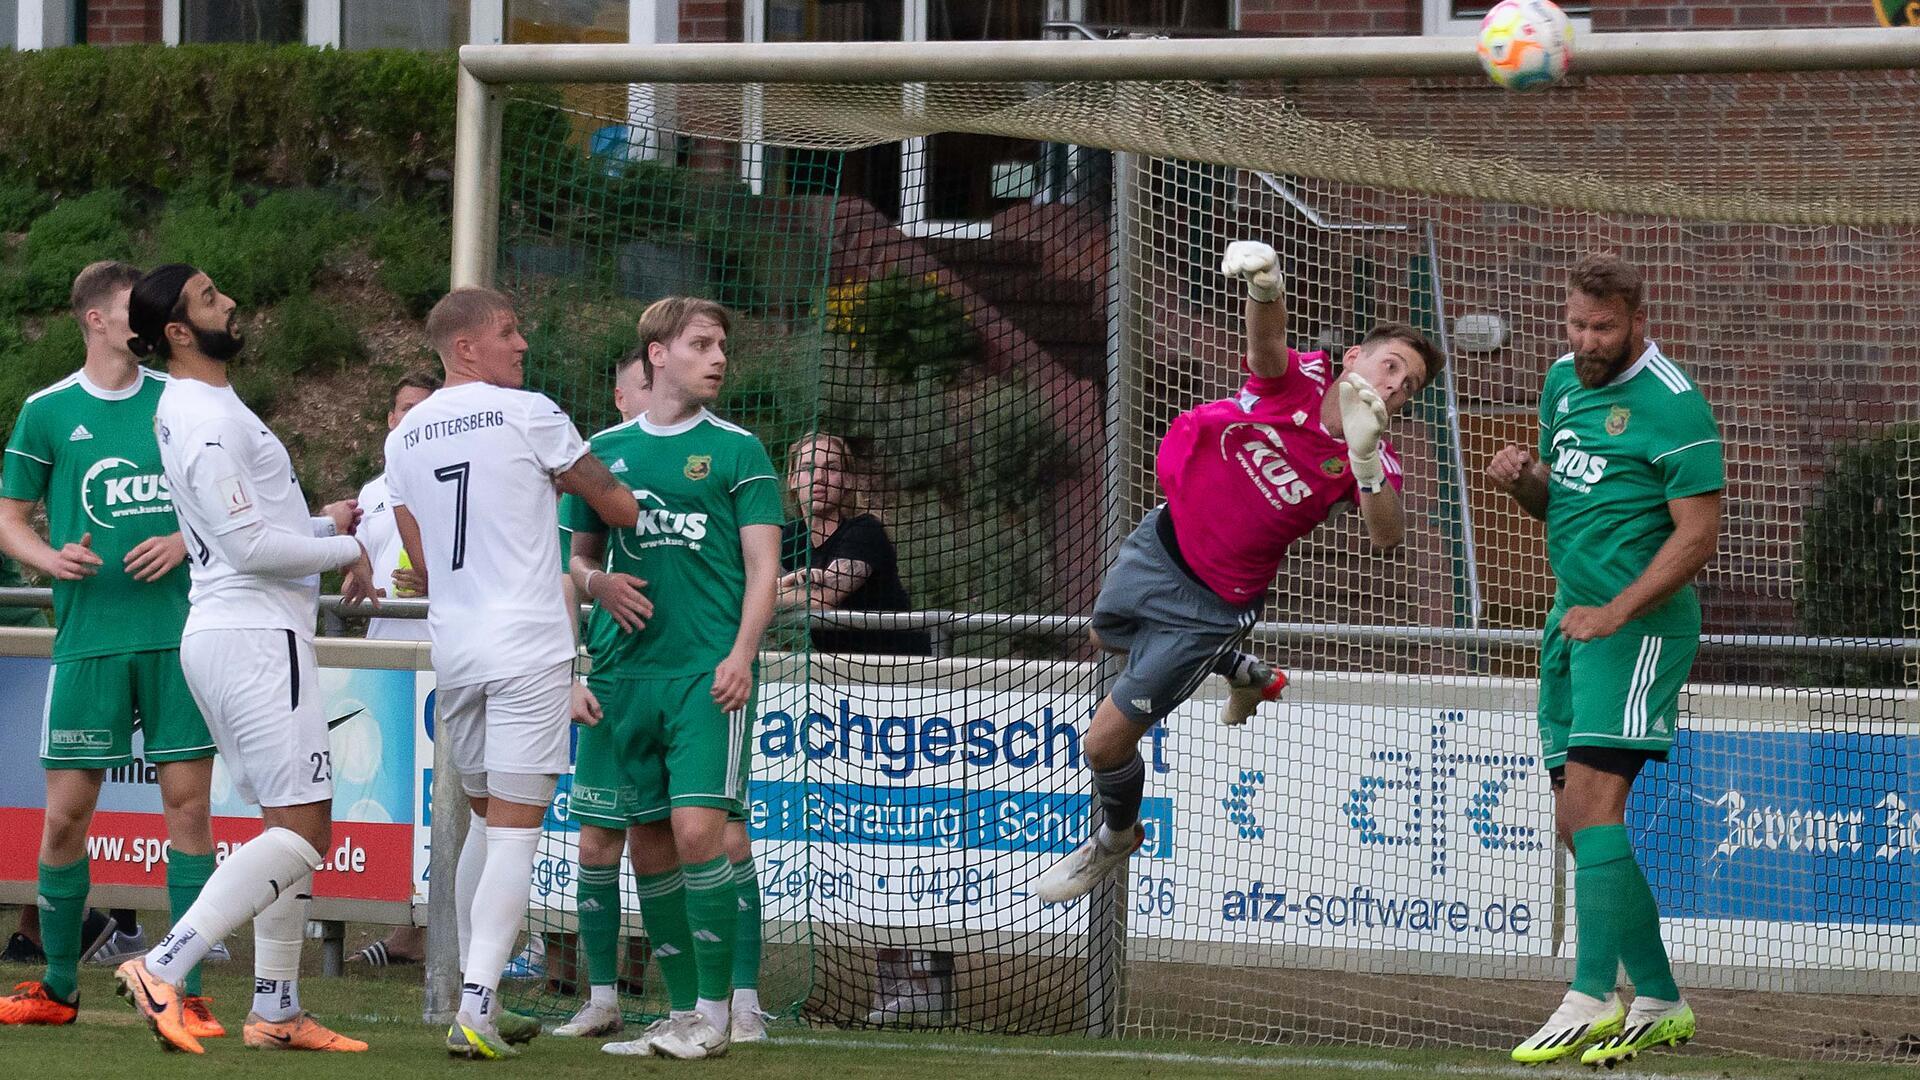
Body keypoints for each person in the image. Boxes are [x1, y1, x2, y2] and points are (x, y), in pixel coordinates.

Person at [1034, 239, 1441, 904]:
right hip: (1161, 540)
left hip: (1212, 605)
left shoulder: (1377, 464)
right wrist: (1265, 285)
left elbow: (1388, 536)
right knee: (1106, 634)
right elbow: (1266, 349)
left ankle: (1115, 838)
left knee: (1102, 747)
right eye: (1391, 365)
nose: (1396, 384)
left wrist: (1365, 461)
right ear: (1353, 359)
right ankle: (1242, 670)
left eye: (1410, 385)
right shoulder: (1301, 378)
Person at [115, 264, 376, 1054]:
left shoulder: (207, 407)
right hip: (254, 635)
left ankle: (277, 1009)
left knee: (283, 822)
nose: (230, 301)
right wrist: (350, 543)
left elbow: (252, 526)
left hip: (240, 633)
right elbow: (248, 545)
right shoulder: (202, 418)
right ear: (178, 334)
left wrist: (317, 520)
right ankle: (163, 964)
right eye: (207, 298)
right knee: (305, 829)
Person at [384, 286, 638, 1060]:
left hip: (456, 646)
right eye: (508, 331)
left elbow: (418, 559)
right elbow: (618, 508)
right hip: (527, 644)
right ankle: (476, 1003)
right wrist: (613, 487)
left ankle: (472, 990)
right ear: (466, 348)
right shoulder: (529, 411)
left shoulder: (404, 436)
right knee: (518, 834)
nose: (522, 344)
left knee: (490, 823)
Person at [1490, 253, 1719, 1068]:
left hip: (1638, 628)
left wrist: (1619, 609)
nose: (1587, 342)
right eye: (1577, 325)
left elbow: (1698, 536)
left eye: (1604, 328)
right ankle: (1657, 998)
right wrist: (1525, 483)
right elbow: (1566, 499)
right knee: (1575, 823)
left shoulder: (1674, 405)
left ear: (1637, 322)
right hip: (1573, 624)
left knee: (1593, 811)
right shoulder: (1561, 381)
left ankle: (1591, 996)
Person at [0, 262, 223, 1035]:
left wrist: (181, 538)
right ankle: (58, 986)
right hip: (90, 641)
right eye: (133, 309)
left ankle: (185, 988)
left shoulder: (185, 402)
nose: (150, 321)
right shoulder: (48, 411)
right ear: (96, 319)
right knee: (64, 818)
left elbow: (234, 505)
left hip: (176, 638)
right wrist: (45, 556)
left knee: (188, 810)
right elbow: (9, 516)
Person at [563, 297, 782, 1061]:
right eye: (701, 344)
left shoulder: (738, 451)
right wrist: (594, 597)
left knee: (700, 833)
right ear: (658, 355)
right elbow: (576, 560)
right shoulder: (601, 451)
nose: (718, 357)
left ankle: (722, 1016)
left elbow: (764, 568)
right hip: (625, 675)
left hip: (703, 674)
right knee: (648, 845)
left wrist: (742, 654)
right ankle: (686, 1014)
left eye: (723, 344)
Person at [775, 433, 949, 1024]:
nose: (820, 478)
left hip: (903, 700)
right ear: (792, 478)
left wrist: (792, 586)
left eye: (832, 469)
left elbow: (831, 592)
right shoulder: (785, 537)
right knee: (855, 832)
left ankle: (919, 981)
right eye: (808, 468)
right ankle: (892, 980)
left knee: (904, 829)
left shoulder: (865, 531)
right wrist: (798, 584)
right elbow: (766, 595)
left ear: (848, 482)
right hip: (838, 703)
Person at [340, 369, 440, 970]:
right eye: (402, 408)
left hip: (449, 659)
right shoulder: (371, 494)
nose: (410, 419)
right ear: (388, 418)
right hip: (387, 663)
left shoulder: (459, 484)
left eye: (424, 410)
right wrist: (354, 572)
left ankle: (498, 939)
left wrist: (439, 581)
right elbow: (355, 565)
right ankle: (403, 932)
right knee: (391, 798)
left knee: (457, 797)